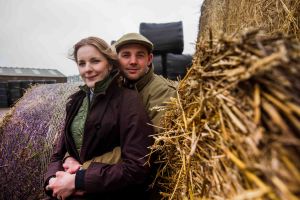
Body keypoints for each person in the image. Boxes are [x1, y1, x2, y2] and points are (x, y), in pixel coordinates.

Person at [44, 36, 154, 200]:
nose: (87, 69)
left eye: (95, 61)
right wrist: (53, 180)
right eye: (82, 63)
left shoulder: (127, 100)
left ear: (109, 64)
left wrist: (79, 180)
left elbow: (137, 167)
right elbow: (58, 154)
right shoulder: (75, 102)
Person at [113, 33, 176, 129]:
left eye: (140, 55)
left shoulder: (163, 92)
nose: (133, 61)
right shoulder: (117, 86)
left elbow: (156, 140)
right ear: (117, 59)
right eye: (126, 55)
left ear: (149, 59)